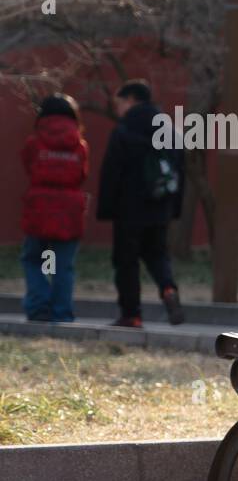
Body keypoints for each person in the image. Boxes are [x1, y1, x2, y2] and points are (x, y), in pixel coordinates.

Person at [96, 80, 185, 327]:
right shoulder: (169, 129)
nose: (118, 109)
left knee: (127, 261)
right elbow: (180, 172)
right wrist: (174, 207)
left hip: (129, 209)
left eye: (120, 103)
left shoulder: (124, 130)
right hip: (161, 207)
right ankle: (168, 289)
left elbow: (112, 172)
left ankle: (131, 314)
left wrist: (107, 208)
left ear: (132, 99)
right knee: (157, 254)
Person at [20, 94, 90, 323]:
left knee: (34, 259)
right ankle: (62, 312)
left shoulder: (34, 142)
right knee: (63, 265)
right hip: (69, 209)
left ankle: (39, 307)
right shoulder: (79, 145)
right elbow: (82, 175)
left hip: (39, 206)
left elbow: (28, 166)